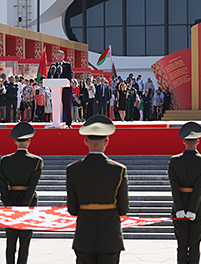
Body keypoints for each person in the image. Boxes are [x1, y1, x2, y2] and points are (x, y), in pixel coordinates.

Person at [66, 115, 129, 264]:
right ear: (107, 141)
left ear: (85, 141)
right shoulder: (118, 170)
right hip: (110, 234)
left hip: (84, 234)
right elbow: (123, 207)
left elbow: (73, 209)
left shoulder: (73, 170)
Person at [0, 122, 43, 264]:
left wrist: (7, 202)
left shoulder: (5, 160)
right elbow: (32, 186)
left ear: (14, 141)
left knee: (10, 239)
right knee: (25, 240)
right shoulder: (36, 161)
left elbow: (2, 185)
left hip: (11, 201)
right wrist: (25, 204)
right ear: (29, 141)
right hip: (28, 204)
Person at [168, 122, 201, 264]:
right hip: (197, 208)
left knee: (181, 245)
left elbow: (174, 187)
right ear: (198, 141)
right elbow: (199, 187)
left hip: (179, 206)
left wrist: (180, 208)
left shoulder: (174, 161)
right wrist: (192, 209)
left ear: (183, 141)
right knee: (194, 245)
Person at [47, 50, 73, 127]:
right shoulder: (53, 65)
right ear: (55, 57)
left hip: (65, 89)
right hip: (56, 89)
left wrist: (66, 81)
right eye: (58, 56)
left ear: (63, 57)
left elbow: (70, 75)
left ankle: (68, 123)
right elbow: (49, 74)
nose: (59, 58)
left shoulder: (67, 65)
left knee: (67, 106)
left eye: (61, 56)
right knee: (55, 106)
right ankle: (55, 121)